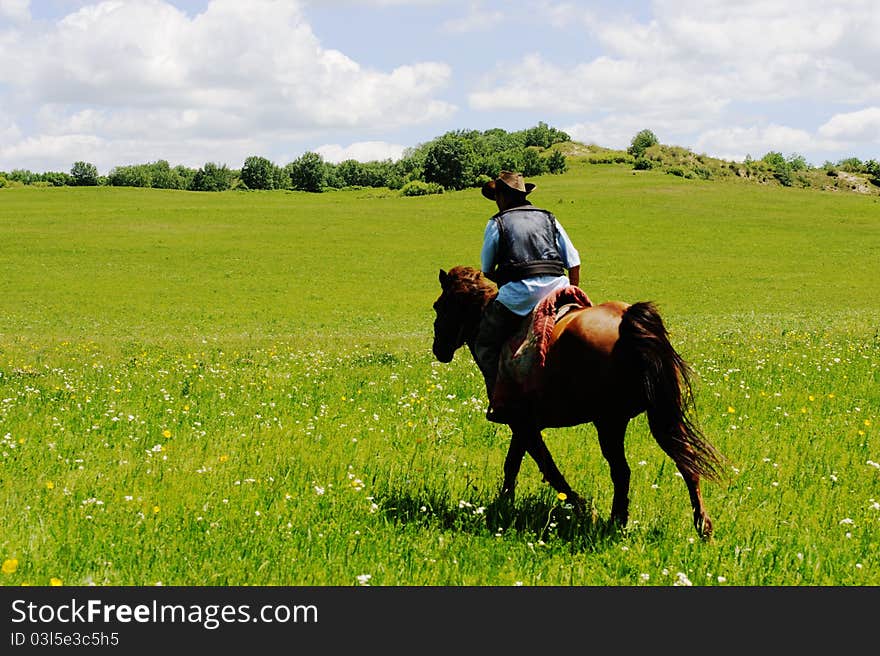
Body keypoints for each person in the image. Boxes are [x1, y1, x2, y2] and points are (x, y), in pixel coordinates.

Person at [476, 170, 581, 423]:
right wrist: (572, 294)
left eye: (497, 196)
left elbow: (487, 268)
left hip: (518, 298)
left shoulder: (497, 222)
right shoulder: (550, 218)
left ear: (502, 196)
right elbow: (574, 261)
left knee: (485, 344)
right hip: (559, 290)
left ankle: (500, 401)